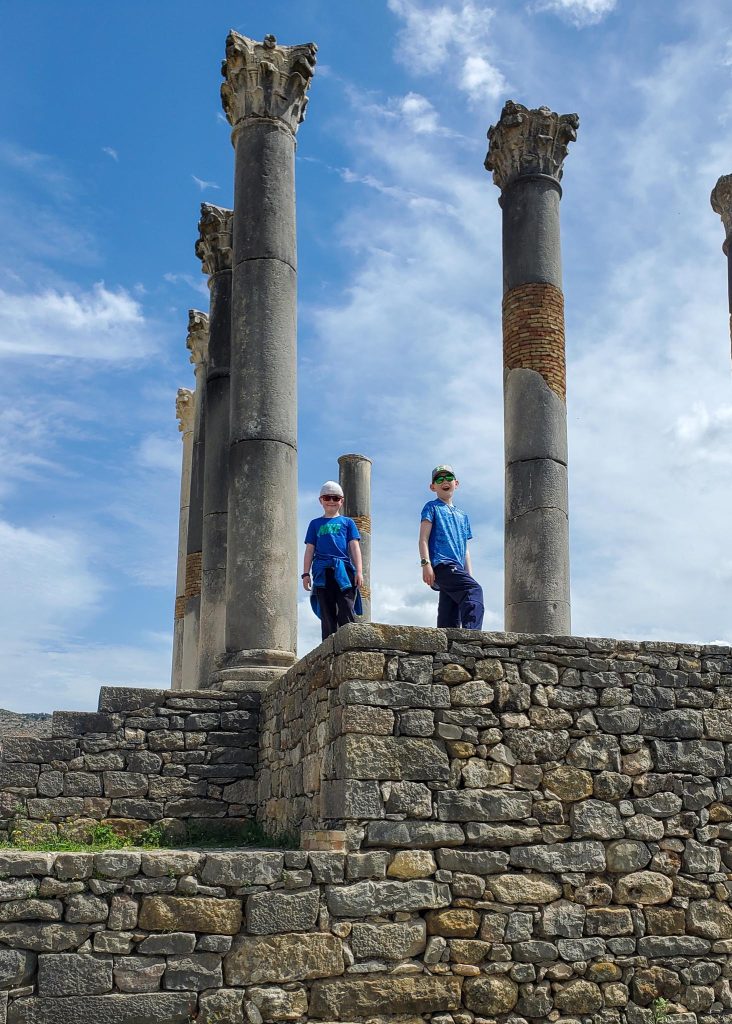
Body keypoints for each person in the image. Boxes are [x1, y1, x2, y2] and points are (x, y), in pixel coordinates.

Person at [419, 464, 484, 629]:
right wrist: (426, 564)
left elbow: (465, 549)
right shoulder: (431, 507)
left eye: (448, 477)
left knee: (450, 612)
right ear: (432, 487)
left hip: (457, 568)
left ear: (456, 483)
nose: (444, 481)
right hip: (442, 564)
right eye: (439, 479)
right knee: (473, 591)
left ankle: (447, 643)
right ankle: (472, 636)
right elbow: (423, 539)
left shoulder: (463, 516)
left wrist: (469, 575)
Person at [303, 481, 363, 640]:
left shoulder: (348, 522)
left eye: (335, 498)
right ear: (320, 500)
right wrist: (305, 574)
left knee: (346, 606)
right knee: (326, 610)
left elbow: (354, 547)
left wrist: (359, 571)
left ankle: (350, 642)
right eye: (327, 497)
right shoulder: (314, 524)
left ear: (341, 501)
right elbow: (309, 549)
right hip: (322, 571)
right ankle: (329, 646)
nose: (331, 501)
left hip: (344, 570)